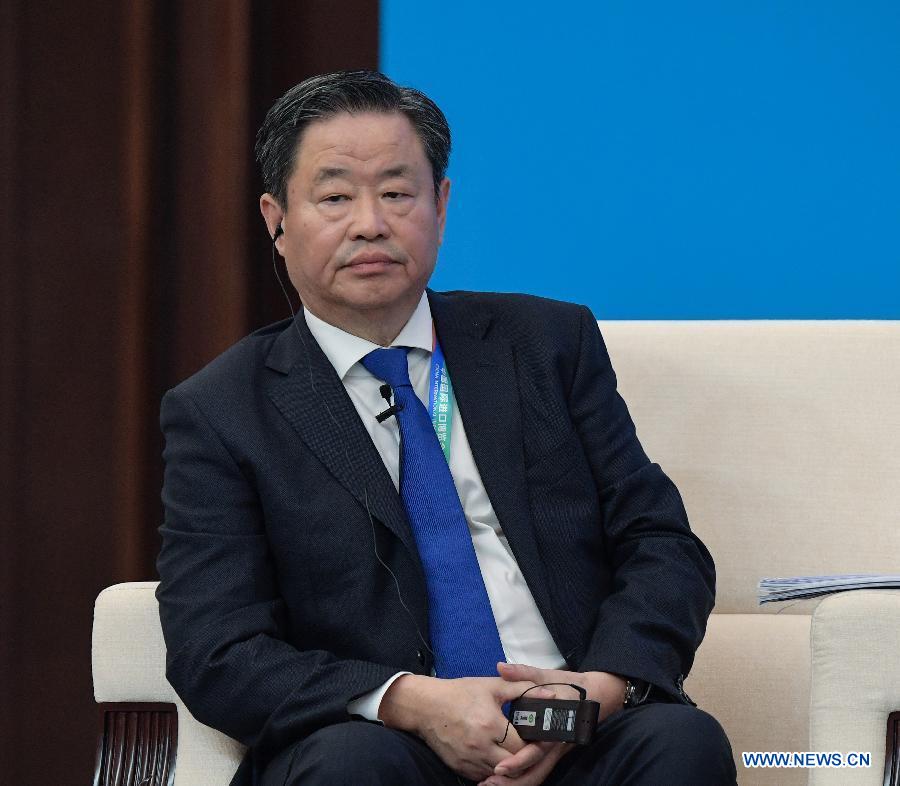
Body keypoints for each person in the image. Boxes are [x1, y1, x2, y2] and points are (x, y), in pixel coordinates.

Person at [156, 70, 736, 786]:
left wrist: (599, 687)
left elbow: (661, 544)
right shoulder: (222, 411)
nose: (370, 223)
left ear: (442, 204)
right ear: (277, 221)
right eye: (335, 198)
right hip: (380, 738)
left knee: (681, 743)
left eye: (397, 193)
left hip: (567, 721)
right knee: (348, 768)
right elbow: (215, 647)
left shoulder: (547, 345)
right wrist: (412, 701)